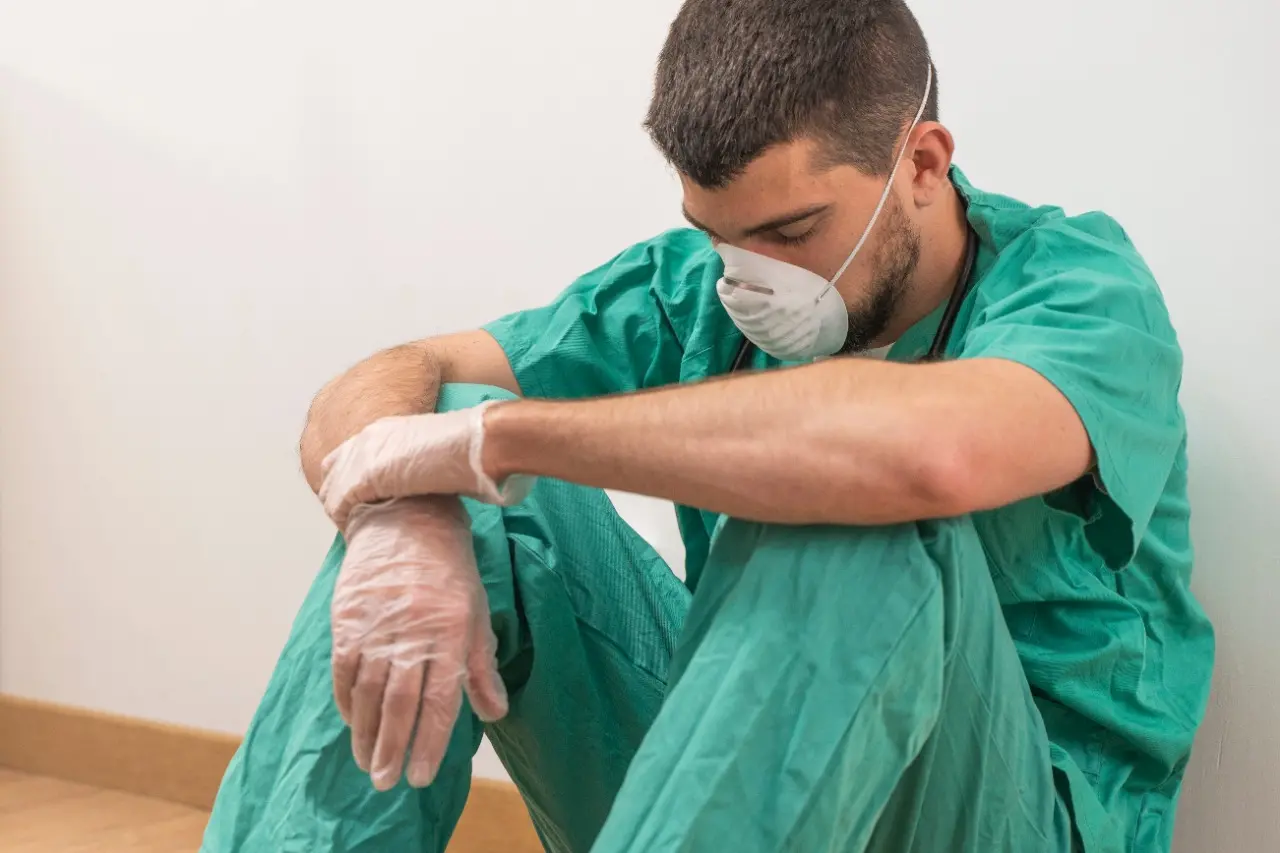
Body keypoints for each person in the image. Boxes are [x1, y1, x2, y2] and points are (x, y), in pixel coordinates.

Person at [202, 1, 1214, 851]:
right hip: (744, 797)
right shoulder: (695, 289)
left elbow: (925, 455)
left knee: (853, 500)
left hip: (1000, 813)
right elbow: (388, 380)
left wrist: (501, 443)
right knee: (447, 462)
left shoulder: (1078, 289)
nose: (746, 278)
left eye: (788, 231)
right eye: (718, 236)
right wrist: (403, 513)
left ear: (920, 162)